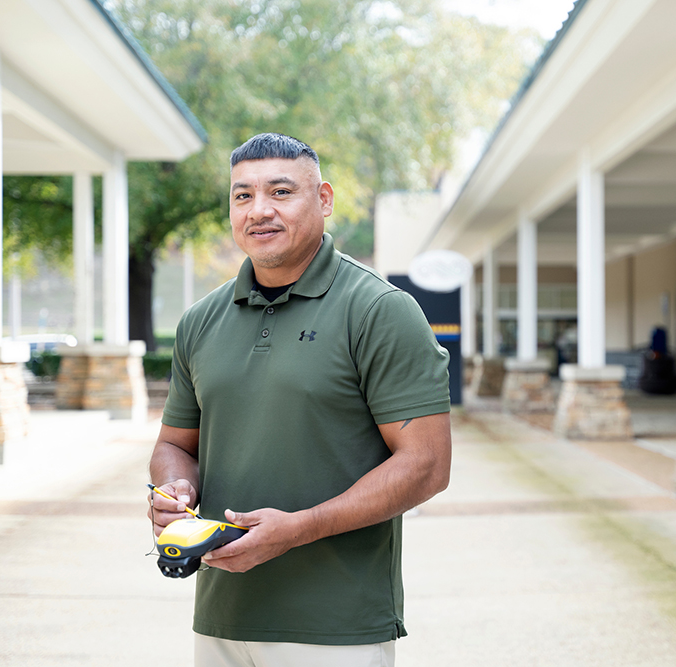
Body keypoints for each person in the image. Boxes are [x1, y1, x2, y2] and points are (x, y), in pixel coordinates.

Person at [148, 132, 452, 667]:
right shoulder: (200, 320)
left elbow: (427, 464)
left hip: (336, 628)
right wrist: (175, 489)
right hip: (221, 616)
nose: (259, 210)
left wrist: (299, 528)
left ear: (325, 199)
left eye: (281, 192)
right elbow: (175, 444)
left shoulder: (380, 310)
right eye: (242, 196)